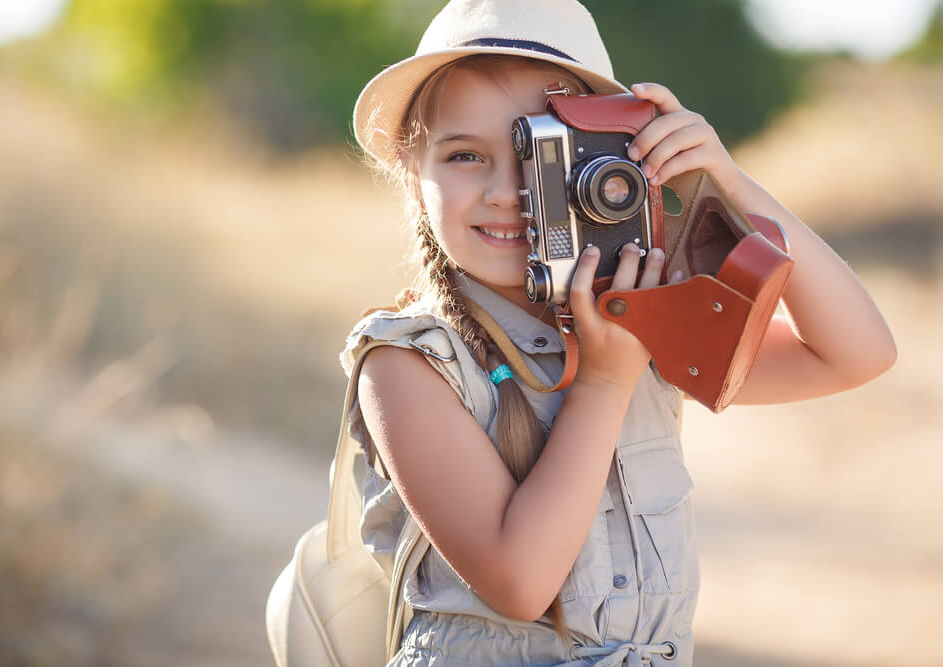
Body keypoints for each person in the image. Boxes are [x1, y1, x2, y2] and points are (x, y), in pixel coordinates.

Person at [343, 1, 896, 664]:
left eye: (542, 155)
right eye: (465, 155)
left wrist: (725, 180)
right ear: (411, 170)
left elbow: (857, 352)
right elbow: (521, 580)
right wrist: (604, 381)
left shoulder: (645, 316)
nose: (505, 191)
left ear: (608, 158)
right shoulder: (409, 363)